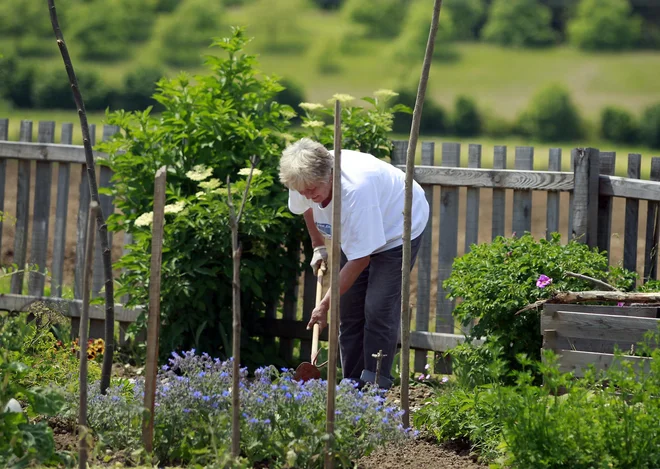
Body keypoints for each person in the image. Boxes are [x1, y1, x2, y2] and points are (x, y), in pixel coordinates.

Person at [279, 138, 430, 389]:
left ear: (329, 174)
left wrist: (324, 305)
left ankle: (375, 384)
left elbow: (361, 259)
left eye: (312, 189)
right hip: (359, 228)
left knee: (378, 307)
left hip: (398, 226)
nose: (309, 195)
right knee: (348, 310)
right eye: (303, 191)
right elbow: (306, 208)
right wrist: (318, 247)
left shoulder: (356, 191)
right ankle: (351, 386)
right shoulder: (303, 178)